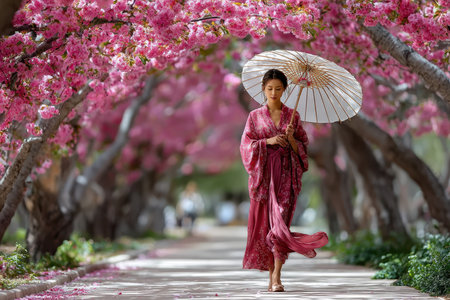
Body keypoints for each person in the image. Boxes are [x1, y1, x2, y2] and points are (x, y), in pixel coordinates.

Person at [240, 69, 328, 292]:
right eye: (269, 88)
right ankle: (272, 277)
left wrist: (290, 139)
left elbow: (303, 149)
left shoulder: (293, 116)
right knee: (268, 226)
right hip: (264, 176)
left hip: (287, 177)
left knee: (281, 224)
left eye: (278, 89)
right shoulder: (254, 117)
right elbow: (246, 146)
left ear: (285, 90)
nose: (273, 92)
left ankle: (277, 276)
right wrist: (268, 141)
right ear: (263, 89)